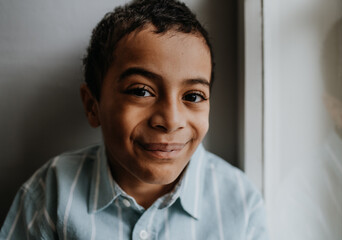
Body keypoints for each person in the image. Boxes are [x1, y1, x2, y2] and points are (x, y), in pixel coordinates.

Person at [0, 0, 268, 239]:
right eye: (141, 91)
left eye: (194, 96)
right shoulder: (52, 193)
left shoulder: (239, 202)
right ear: (93, 106)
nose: (171, 120)